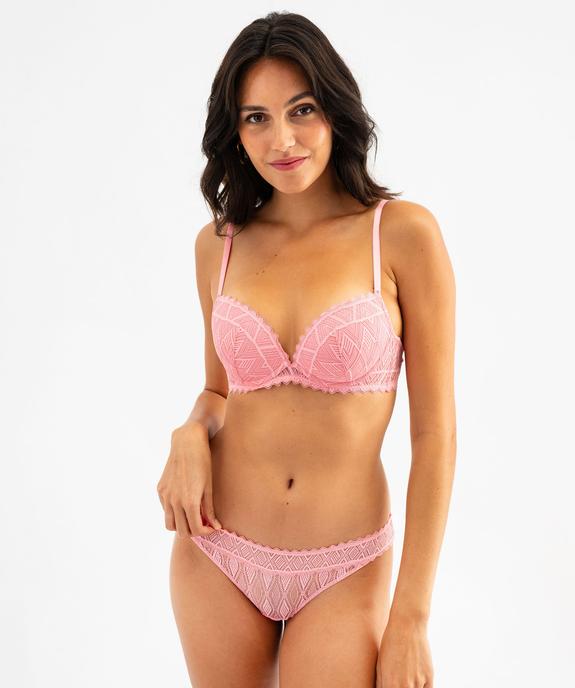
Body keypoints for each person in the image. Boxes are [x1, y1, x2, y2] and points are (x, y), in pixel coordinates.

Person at [157, 11, 456, 688]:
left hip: (345, 563)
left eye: (302, 109)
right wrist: (189, 432)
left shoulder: (401, 235)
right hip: (217, 547)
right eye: (255, 118)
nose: (281, 139)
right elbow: (219, 390)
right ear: (234, 131)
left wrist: (410, 619)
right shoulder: (219, 245)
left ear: (335, 109)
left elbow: (435, 436)